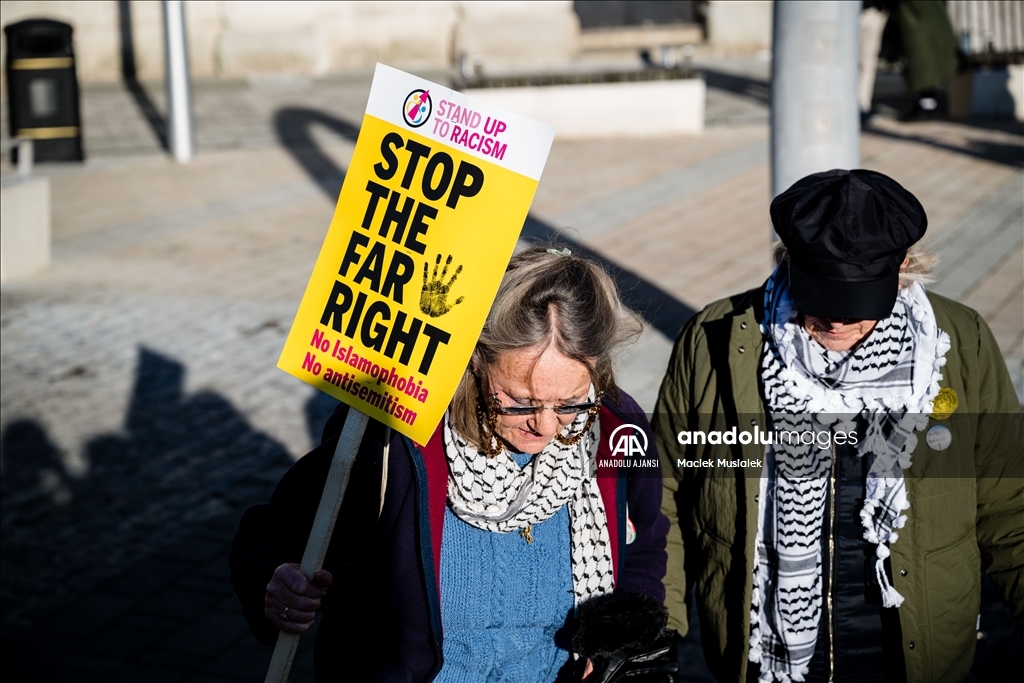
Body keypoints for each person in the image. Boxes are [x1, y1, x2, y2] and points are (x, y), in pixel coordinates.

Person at [231, 246, 674, 682]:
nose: (545, 427)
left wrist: (623, 640)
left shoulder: (617, 429)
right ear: (477, 359)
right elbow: (272, 533)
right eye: (521, 401)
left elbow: (643, 541)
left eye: (571, 403)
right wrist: (277, 581)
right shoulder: (394, 433)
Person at [653, 169, 1023, 683]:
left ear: (904, 269)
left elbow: (1010, 501)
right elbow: (662, 495)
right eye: (819, 301)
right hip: (767, 658)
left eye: (858, 305)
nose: (836, 324)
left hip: (915, 652)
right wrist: (655, 629)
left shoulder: (959, 341)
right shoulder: (713, 342)